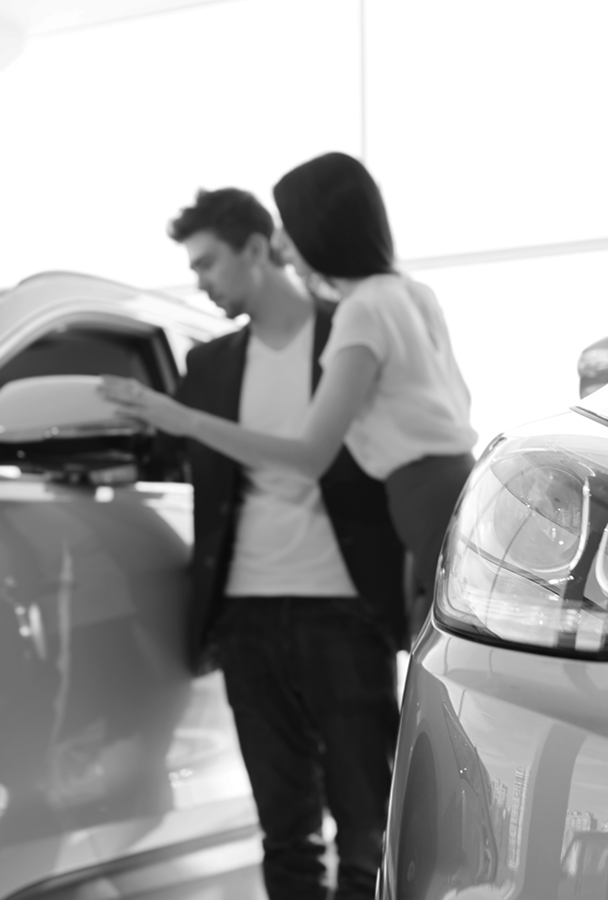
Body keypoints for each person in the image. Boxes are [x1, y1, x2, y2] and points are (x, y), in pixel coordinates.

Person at [137, 187, 406, 900]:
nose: (200, 280)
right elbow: (178, 464)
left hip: (346, 609)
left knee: (369, 831)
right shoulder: (210, 364)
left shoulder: (351, 332)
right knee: (285, 833)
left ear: (257, 249)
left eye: (207, 263)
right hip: (246, 616)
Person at [102, 153, 478, 622]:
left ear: (321, 227)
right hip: (460, 484)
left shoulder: (361, 311)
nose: (280, 243)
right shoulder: (412, 293)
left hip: (420, 498)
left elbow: (308, 456)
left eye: (288, 225)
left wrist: (183, 420)